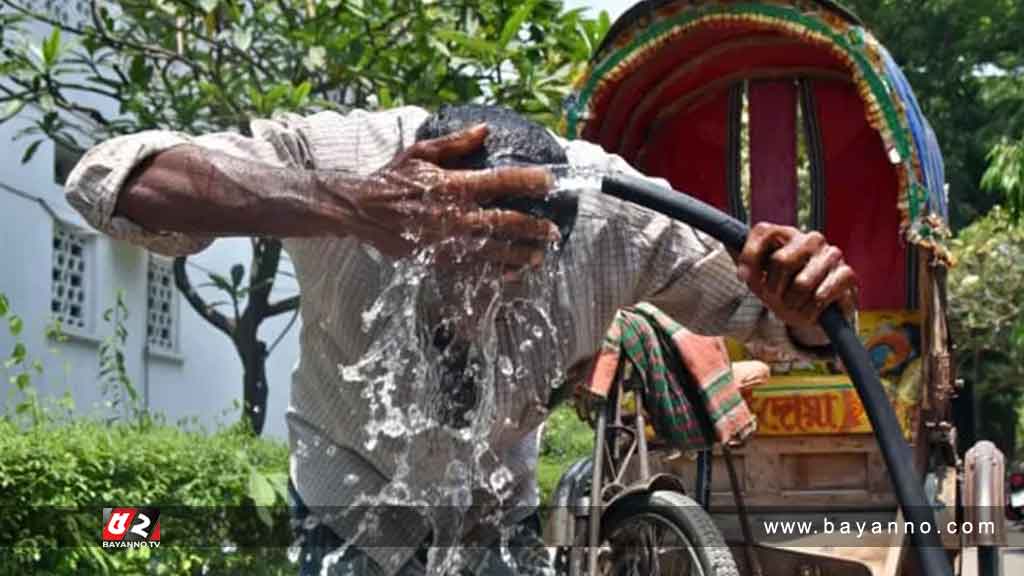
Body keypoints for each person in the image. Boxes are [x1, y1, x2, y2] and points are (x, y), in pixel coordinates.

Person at [65, 104, 856, 575]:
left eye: (511, 282)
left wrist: (805, 292)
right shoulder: (347, 163)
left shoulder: (618, 216)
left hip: (495, 516)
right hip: (345, 507)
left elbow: (781, 318)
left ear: (560, 245)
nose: (476, 315)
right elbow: (107, 179)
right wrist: (346, 204)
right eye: (457, 277)